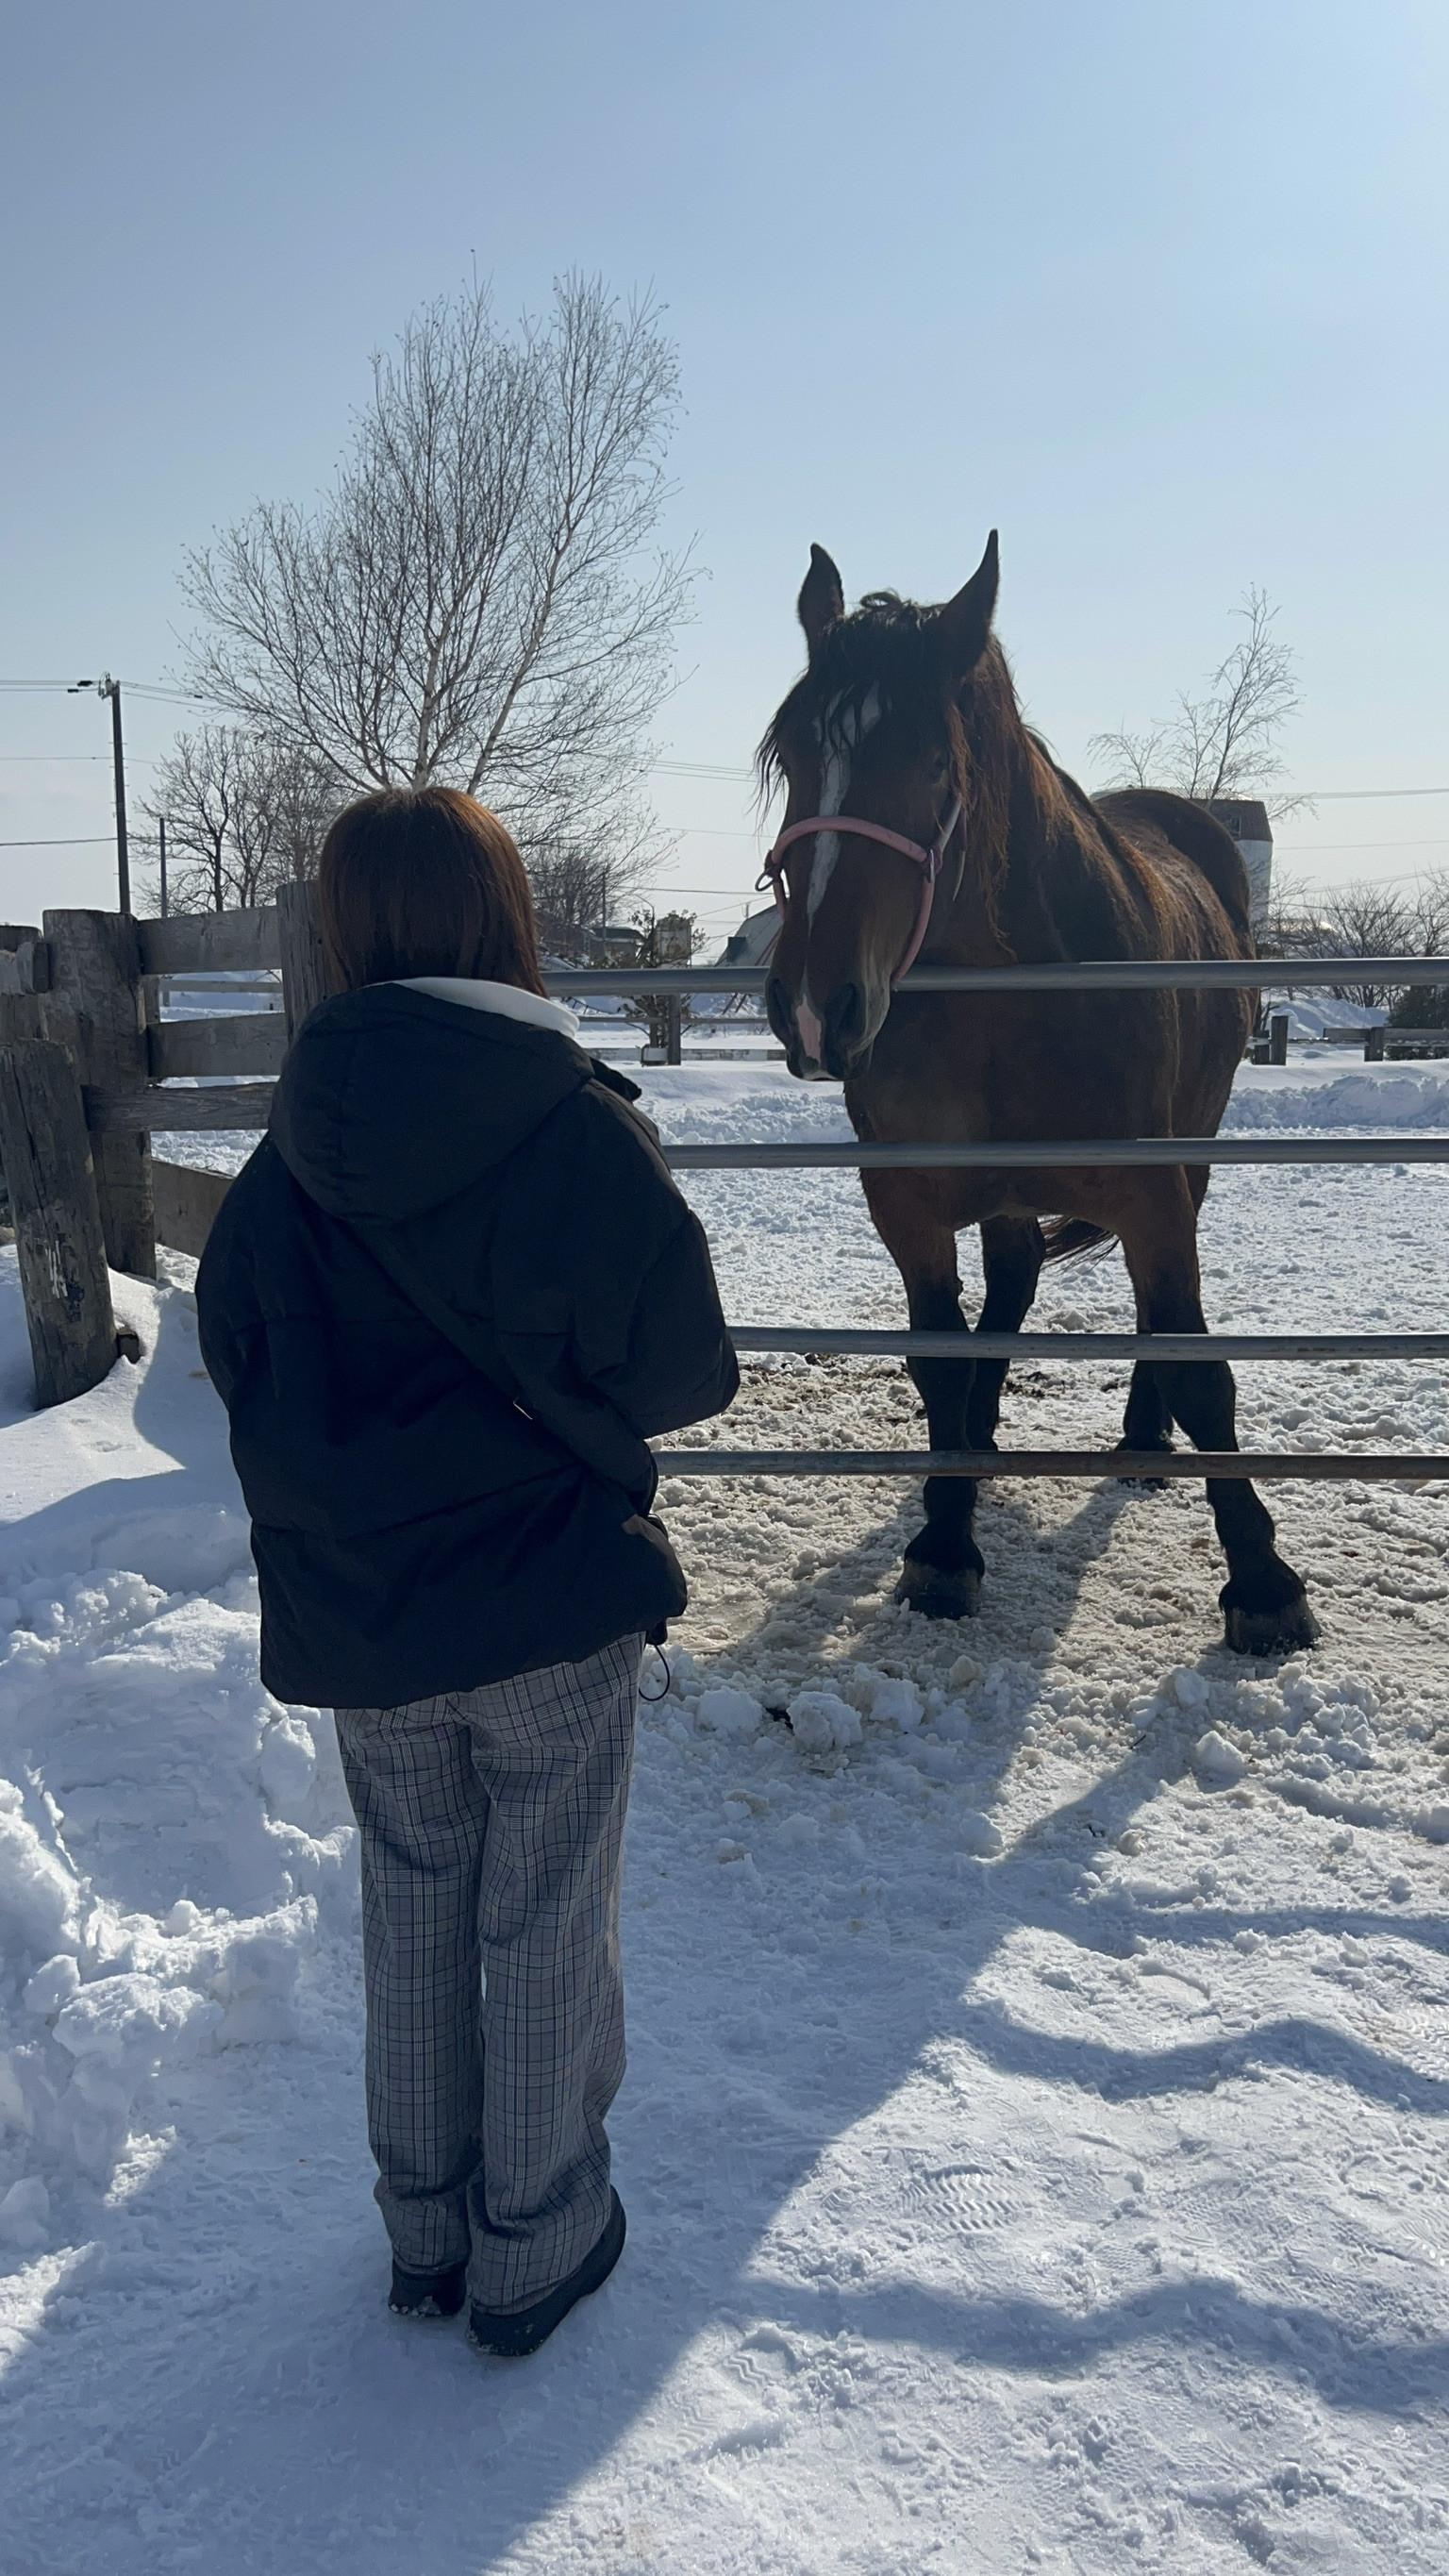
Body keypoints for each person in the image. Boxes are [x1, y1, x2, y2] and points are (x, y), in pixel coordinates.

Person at [196, 787, 737, 2358]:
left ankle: (425, 2230)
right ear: (505, 917)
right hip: (549, 1601)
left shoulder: (288, 1146)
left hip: (368, 1622)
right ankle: (539, 2239)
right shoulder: (565, 1117)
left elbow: (240, 1351)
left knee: (413, 1905)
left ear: (341, 934)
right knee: (546, 1910)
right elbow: (682, 1363)